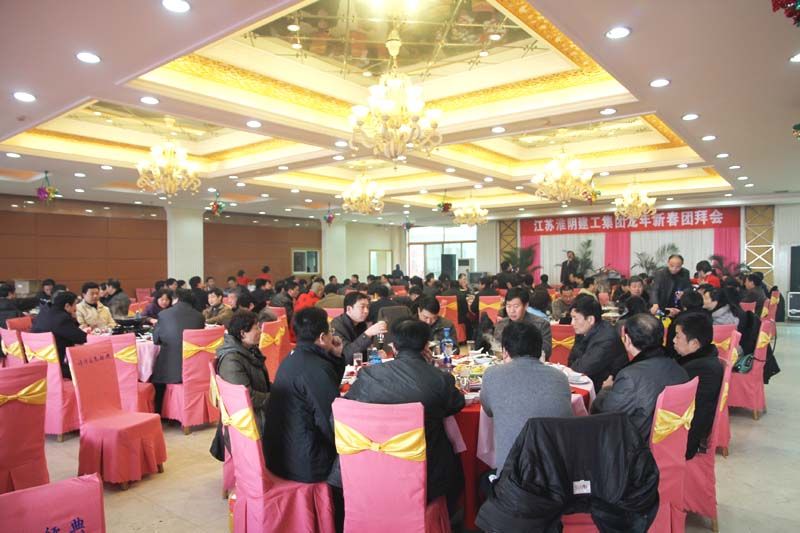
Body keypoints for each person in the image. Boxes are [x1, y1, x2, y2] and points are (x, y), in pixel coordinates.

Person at [331, 318, 465, 520]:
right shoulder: (439, 378)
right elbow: (456, 404)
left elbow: (345, 412)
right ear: (426, 347)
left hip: (370, 473)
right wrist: (429, 367)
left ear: (393, 346)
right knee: (455, 464)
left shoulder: (369, 375)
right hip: (425, 476)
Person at [263, 307, 344, 484]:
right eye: (330, 332)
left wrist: (336, 356)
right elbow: (330, 421)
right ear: (322, 337)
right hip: (305, 463)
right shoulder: (315, 368)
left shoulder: (293, 358)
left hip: (279, 454)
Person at [482, 321, 572, 472]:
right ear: (539, 349)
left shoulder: (492, 375)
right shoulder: (560, 378)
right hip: (557, 475)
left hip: (512, 478)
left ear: (505, 351)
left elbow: (488, 410)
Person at [592, 313, 689, 442]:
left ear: (627, 339)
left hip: (637, 447)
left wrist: (606, 389)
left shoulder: (630, 377)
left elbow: (605, 417)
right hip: (670, 441)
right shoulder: (680, 369)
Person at [213, 310, 270, 453]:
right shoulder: (231, 359)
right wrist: (275, 399)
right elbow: (246, 397)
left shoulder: (249, 350)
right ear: (243, 333)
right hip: (248, 419)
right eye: (256, 328)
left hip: (258, 407)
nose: (260, 331)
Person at [672, 311, 723, 460]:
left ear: (694, 343)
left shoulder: (698, 369)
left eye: (677, 336)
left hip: (685, 438)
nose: (673, 340)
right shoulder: (706, 359)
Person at [151, 289, 205, 411]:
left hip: (171, 369)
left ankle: (160, 411)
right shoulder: (199, 316)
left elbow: (156, 340)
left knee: (154, 374)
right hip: (195, 369)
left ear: (176, 299)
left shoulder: (164, 314)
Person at [567, 294, 627, 391]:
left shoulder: (606, 338)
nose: (572, 323)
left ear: (590, 319)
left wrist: (576, 364)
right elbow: (570, 361)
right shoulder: (584, 331)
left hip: (609, 389)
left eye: (575, 318)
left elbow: (583, 369)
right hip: (591, 381)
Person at [30, 291, 87, 379]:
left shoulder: (44, 311)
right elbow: (81, 338)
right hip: (56, 365)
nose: (76, 308)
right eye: (75, 304)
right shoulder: (62, 318)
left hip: (37, 360)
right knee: (88, 366)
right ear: (67, 306)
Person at [493, 288, 552, 360]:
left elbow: (546, 350)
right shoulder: (502, 324)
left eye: (516, 306)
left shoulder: (541, 324)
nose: (512, 311)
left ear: (526, 306)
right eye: (508, 306)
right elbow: (496, 346)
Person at [330, 292, 387, 364]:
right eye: (362, 307)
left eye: (367, 307)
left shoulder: (361, 323)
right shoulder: (336, 325)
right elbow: (346, 356)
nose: (366, 311)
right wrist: (367, 334)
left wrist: (375, 354)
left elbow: (362, 350)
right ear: (349, 309)